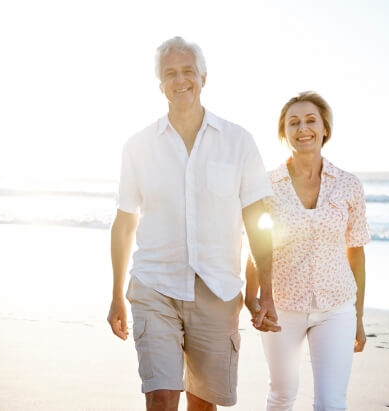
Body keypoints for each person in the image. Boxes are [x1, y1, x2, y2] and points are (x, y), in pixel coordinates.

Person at [107, 36, 279, 411]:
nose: (180, 80)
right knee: (162, 396)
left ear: (204, 77)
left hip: (217, 290)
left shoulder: (238, 142)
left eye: (188, 71)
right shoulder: (138, 146)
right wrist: (117, 293)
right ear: (160, 84)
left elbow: (258, 221)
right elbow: (123, 223)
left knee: (204, 404)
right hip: (154, 286)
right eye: (170, 73)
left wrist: (265, 291)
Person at [246, 91, 370, 410]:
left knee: (331, 403)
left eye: (311, 120)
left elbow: (355, 251)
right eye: (294, 122)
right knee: (282, 394)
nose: (303, 128)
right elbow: (255, 248)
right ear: (284, 133)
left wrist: (357, 317)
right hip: (282, 307)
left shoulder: (348, 184)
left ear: (325, 129)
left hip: (336, 307)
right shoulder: (266, 184)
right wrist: (254, 299)